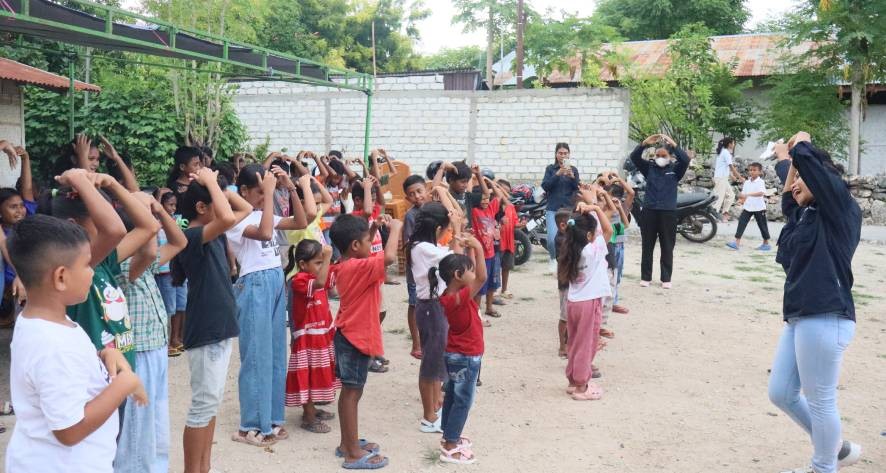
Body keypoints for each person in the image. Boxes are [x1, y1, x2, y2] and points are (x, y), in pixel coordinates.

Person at [5, 214, 146, 472]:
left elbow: (70, 373)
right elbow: (68, 430)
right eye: (86, 265)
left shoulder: (45, 323)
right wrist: (123, 385)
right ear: (60, 277)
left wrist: (104, 355)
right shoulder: (52, 345)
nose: (92, 272)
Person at [768, 132, 862, 473]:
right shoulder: (806, 215)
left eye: (801, 178)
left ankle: (824, 466)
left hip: (826, 315)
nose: (794, 186)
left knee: (821, 400)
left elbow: (815, 174)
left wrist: (801, 146)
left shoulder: (839, 208)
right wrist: (788, 163)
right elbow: (789, 195)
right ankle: (834, 447)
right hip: (800, 317)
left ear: (822, 176)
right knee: (781, 392)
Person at [171, 168, 248, 473]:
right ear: (202, 208)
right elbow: (230, 217)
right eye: (216, 199)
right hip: (206, 329)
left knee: (210, 403)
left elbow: (242, 208)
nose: (223, 205)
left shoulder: (211, 231)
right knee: (202, 406)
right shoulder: (192, 235)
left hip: (218, 327)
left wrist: (216, 185)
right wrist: (213, 184)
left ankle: (204, 467)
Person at [227, 164, 308, 447]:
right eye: (260, 192)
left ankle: (273, 419)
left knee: (274, 353)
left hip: (274, 278)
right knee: (255, 354)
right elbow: (263, 234)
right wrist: (272, 192)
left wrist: (291, 188)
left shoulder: (264, 213)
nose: (264, 197)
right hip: (254, 283)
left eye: (266, 192)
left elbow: (301, 222)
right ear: (244, 191)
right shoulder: (235, 218)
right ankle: (251, 425)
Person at [115, 192, 187, 473]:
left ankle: (155, 467)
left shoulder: (142, 262)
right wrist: (149, 218)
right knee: (138, 423)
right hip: (139, 349)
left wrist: (156, 207)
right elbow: (147, 248)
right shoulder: (123, 264)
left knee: (156, 418)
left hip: (154, 346)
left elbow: (179, 241)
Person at [329, 213, 402, 469]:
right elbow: (390, 258)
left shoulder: (348, 262)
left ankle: (346, 442)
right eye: (367, 241)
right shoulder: (359, 267)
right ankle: (352, 452)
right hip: (354, 338)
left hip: (351, 336)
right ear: (355, 247)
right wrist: (396, 228)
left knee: (352, 392)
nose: (370, 244)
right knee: (351, 393)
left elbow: (365, 249)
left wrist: (371, 229)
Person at [434, 236, 486, 465]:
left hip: (455, 354)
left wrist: (468, 250)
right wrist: (479, 247)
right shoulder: (459, 298)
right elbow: (482, 277)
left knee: (454, 396)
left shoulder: (450, 295)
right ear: (457, 276)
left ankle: (449, 433)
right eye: (469, 272)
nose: (473, 275)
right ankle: (450, 445)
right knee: (463, 399)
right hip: (466, 356)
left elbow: (473, 274)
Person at [407, 202, 455, 435]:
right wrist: (456, 228)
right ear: (437, 229)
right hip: (430, 308)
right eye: (446, 229)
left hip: (434, 307)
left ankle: (436, 403)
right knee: (431, 363)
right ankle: (429, 416)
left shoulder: (425, 244)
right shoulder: (424, 248)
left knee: (437, 360)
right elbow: (454, 258)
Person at [283, 240, 340, 434]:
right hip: (307, 339)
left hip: (321, 335)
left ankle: (312, 408)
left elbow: (331, 282)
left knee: (318, 375)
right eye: (318, 262)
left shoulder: (317, 273)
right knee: (307, 377)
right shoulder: (299, 280)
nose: (321, 265)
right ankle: (308, 416)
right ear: (302, 264)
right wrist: (327, 257)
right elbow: (321, 283)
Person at [559, 202, 613, 401]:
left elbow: (599, 231)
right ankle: (582, 385)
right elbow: (608, 229)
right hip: (588, 303)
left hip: (574, 302)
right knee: (586, 343)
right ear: (589, 236)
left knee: (575, 342)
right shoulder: (591, 252)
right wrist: (596, 209)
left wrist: (591, 210)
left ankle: (573, 380)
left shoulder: (570, 249)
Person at [629, 134, 690, 289]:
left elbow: (685, 160)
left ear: (670, 157)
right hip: (649, 211)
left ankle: (666, 278)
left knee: (667, 246)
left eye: (664, 155)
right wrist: (644, 144)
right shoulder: (649, 168)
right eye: (657, 155)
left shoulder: (676, 170)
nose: (660, 158)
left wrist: (674, 144)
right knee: (647, 245)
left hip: (668, 212)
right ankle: (645, 277)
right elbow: (634, 157)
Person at [0, 141, 34, 325]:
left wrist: (25, 158)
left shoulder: (27, 224)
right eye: (13, 207)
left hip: (26, 287)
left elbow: (27, 189)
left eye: (21, 206)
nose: (20, 210)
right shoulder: (2, 232)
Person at [154, 190, 186, 356]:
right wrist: (158, 199)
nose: (173, 208)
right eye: (169, 204)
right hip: (164, 270)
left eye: (175, 205)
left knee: (181, 305)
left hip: (178, 268)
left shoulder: (178, 221)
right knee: (169, 307)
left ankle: (176, 338)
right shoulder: (156, 223)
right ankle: (165, 342)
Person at [402, 174, 430, 359]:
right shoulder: (411, 216)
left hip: (433, 268)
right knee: (415, 305)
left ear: (426, 190)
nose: (417, 196)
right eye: (412, 194)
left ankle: (431, 339)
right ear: (407, 198)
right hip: (417, 270)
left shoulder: (435, 210)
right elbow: (407, 244)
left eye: (419, 191)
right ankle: (416, 343)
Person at [542, 143, 580, 273]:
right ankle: (553, 259)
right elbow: (545, 186)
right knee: (552, 238)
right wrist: (558, 174)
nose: (563, 156)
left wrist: (572, 177)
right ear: (556, 154)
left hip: (568, 209)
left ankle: (567, 262)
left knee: (569, 237)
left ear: (569, 154)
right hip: (553, 208)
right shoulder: (550, 169)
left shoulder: (573, 169)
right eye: (560, 153)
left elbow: (577, 188)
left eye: (565, 153)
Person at [471, 169, 502, 318]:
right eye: (482, 198)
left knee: (492, 283)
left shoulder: (491, 208)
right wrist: (475, 177)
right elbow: (468, 194)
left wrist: (490, 182)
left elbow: (499, 195)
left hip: (492, 253)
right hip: (480, 255)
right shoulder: (474, 211)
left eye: (487, 198)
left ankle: (489, 307)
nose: (485, 201)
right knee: (479, 286)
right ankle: (477, 314)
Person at [726, 162, 772, 251]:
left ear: (760, 172)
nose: (752, 172)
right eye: (750, 170)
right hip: (748, 207)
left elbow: (761, 193)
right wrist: (741, 199)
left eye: (754, 170)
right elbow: (744, 195)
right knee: (741, 223)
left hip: (759, 208)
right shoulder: (747, 182)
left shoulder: (760, 182)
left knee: (762, 225)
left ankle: (766, 243)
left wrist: (748, 195)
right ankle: (736, 242)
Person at [552, 209, 572, 358]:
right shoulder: (561, 239)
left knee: (571, 316)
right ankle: (562, 345)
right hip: (566, 282)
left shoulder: (568, 237)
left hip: (571, 281)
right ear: (563, 225)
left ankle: (569, 342)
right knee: (565, 316)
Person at [712, 137, 744, 223]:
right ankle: (713, 216)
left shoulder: (723, 152)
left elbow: (724, 166)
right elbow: (731, 167)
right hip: (720, 178)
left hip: (723, 178)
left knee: (731, 195)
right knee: (719, 197)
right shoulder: (726, 152)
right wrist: (740, 177)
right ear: (729, 144)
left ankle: (724, 213)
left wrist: (731, 176)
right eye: (733, 143)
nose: (734, 145)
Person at [496, 179, 518, 300]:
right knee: (495, 267)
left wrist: (522, 224)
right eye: (503, 190)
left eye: (508, 192)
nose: (506, 194)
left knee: (506, 266)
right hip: (498, 242)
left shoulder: (510, 206)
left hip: (509, 242)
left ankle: (504, 289)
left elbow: (514, 223)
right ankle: (493, 290)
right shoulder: (494, 205)